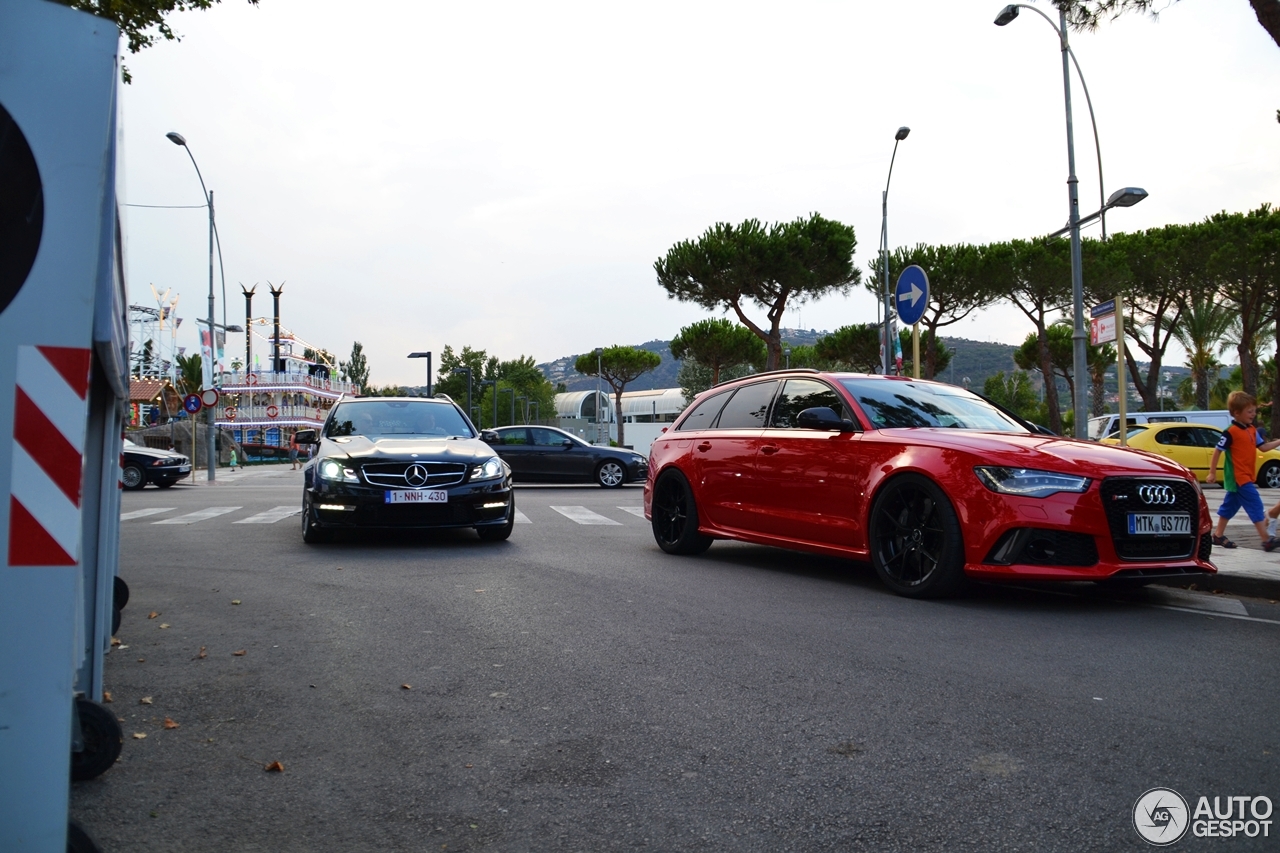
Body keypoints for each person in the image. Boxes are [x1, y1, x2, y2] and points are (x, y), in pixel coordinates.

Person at [1206, 391, 1280, 551]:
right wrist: (1212, 472)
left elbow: (1264, 447)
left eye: (1254, 411)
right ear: (1236, 413)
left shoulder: (1252, 430)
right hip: (1238, 477)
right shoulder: (1230, 432)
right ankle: (1266, 540)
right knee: (1255, 505)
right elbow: (1217, 450)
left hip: (1246, 476)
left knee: (1229, 506)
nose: (1253, 414)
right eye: (1249, 411)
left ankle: (1218, 535)